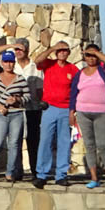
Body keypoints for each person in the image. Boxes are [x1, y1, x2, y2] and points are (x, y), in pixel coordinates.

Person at [68, 44, 105, 190]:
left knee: (103, 146)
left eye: (93, 55)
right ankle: (94, 177)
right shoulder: (80, 73)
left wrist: (96, 52)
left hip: (102, 112)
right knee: (89, 146)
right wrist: (72, 112)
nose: (91, 58)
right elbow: (73, 93)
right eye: (88, 55)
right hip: (83, 112)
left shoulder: (103, 71)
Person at [0, 36, 43, 178]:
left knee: (33, 141)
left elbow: (39, 91)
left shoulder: (35, 67)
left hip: (32, 109)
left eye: (21, 49)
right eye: (17, 49)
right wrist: (11, 46)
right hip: (15, 111)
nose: (19, 51)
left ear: (27, 50)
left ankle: (35, 171)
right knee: (15, 141)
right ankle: (17, 170)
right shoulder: (10, 64)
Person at [31, 33, 76, 188]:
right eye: (60, 50)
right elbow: (37, 60)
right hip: (49, 108)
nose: (62, 53)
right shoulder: (49, 64)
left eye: (65, 50)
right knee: (45, 141)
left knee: (64, 142)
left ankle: (61, 174)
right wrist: (52, 48)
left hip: (65, 109)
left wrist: (72, 111)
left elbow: (77, 90)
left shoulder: (73, 69)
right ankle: (42, 174)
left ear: (69, 53)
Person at [0, 50, 29, 183]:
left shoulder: (20, 79)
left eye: (11, 62)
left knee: (14, 144)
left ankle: (10, 172)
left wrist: (16, 99)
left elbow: (28, 97)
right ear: (2, 63)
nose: (8, 65)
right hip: (1, 114)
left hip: (17, 114)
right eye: (6, 62)